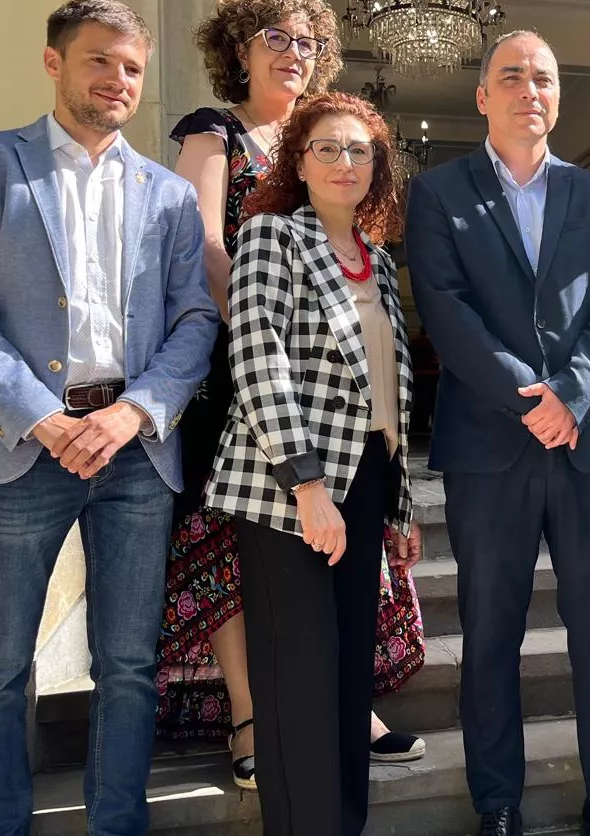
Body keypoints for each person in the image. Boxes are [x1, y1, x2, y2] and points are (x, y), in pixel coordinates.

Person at [0, 0, 219, 835]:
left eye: (132, 68)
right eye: (100, 60)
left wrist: (136, 413)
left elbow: (195, 319)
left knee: (129, 665)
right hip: (20, 450)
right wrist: (42, 419)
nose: (118, 79)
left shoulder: (168, 195)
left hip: (133, 455)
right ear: (55, 62)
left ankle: (117, 823)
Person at [158, 0, 421, 789]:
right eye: (276, 37)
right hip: (239, 367)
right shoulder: (214, 134)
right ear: (238, 48)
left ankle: (349, 704)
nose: (294, 53)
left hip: (336, 380)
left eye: (308, 41)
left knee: (347, 544)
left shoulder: (322, 138)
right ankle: (249, 715)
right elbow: (204, 246)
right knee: (235, 552)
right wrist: (260, 327)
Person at [405, 31, 590, 836]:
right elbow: (445, 310)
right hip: (489, 447)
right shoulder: (438, 194)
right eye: (511, 76)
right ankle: (498, 805)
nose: (529, 90)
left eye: (543, 77)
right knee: (491, 634)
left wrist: (569, 396)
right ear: (483, 97)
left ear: (557, 98)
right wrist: (529, 398)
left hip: (588, 445)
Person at [203, 91, 418, 834]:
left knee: (349, 671)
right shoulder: (272, 236)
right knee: (298, 679)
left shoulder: (377, 261)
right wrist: (307, 484)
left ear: (377, 168)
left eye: (360, 150)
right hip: (288, 488)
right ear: (298, 161)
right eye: (327, 147)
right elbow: (257, 357)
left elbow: (388, 393)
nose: (344, 161)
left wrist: (398, 509)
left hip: (365, 483)